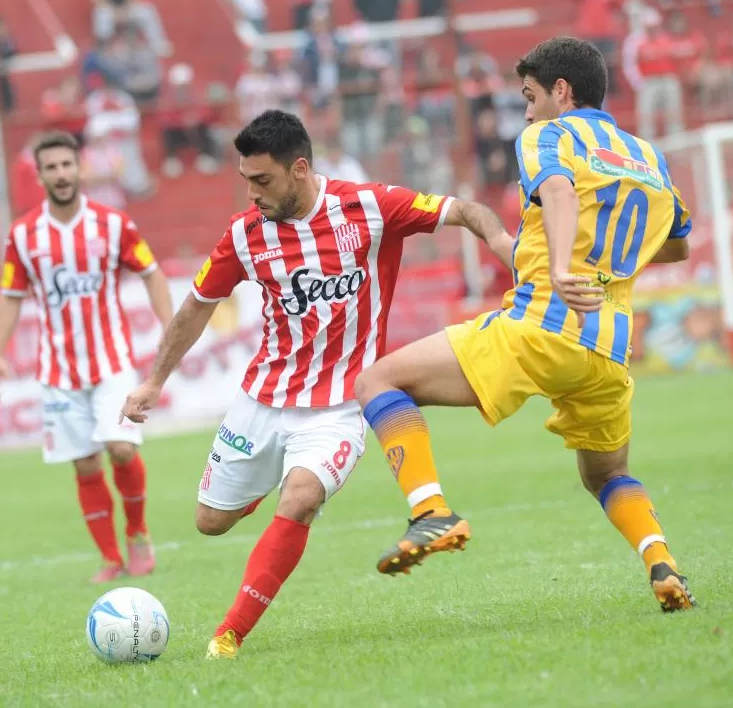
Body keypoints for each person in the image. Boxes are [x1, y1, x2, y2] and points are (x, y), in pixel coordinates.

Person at [120, 109, 514, 658]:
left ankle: (228, 635)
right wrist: (153, 381)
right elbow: (196, 307)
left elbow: (465, 209)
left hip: (341, 406)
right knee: (210, 522)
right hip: (265, 398)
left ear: (299, 168)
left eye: (263, 180)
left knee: (300, 498)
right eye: (246, 181)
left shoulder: (368, 208)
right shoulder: (245, 235)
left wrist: (501, 241)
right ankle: (260, 484)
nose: (253, 193)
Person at [354, 37, 698, 613]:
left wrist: (563, 266)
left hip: (540, 326)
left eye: (531, 96)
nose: (528, 110)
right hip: (608, 350)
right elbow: (678, 245)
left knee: (377, 382)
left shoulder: (550, 135)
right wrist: (596, 257)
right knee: (608, 474)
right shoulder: (646, 155)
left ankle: (431, 511)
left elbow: (559, 189)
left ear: (562, 91)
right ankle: (661, 562)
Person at [0, 131, 175, 584]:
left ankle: (138, 532)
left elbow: (151, 274)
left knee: (121, 448)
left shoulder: (114, 224)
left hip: (111, 361)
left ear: (80, 168)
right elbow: (11, 296)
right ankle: (110, 558)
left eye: (67, 165)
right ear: (41, 175)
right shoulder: (23, 235)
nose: (61, 174)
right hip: (58, 371)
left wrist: (171, 328)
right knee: (86, 463)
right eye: (51, 167)